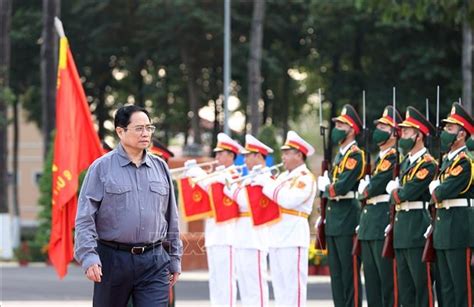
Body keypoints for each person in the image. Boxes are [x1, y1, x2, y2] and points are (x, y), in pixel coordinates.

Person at [74, 105, 182, 307]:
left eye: (149, 128)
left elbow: (171, 218)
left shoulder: (161, 168)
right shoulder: (101, 168)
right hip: (113, 261)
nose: (146, 134)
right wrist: (89, 256)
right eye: (139, 128)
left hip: (154, 261)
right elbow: (84, 218)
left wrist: (175, 257)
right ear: (120, 131)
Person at [253, 130, 317, 306]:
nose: (284, 157)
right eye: (284, 153)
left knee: (293, 289)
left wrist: (266, 182)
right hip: (276, 237)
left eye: (288, 153)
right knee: (280, 290)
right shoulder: (282, 177)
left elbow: (288, 200)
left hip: (293, 237)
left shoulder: (305, 178)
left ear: (299, 155)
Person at [386, 106, 436, 307]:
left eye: (407, 131)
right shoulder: (405, 162)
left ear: (419, 136)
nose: (402, 135)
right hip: (401, 231)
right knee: (404, 289)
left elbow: (406, 193)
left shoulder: (428, 163)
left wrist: (393, 192)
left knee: (421, 287)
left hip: (417, 229)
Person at [318, 105, 364, 307]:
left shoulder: (355, 155)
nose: (336, 127)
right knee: (336, 276)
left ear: (352, 129)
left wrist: (326, 187)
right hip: (334, 220)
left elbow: (342, 186)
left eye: (341, 124)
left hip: (347, 218)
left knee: (349, 274)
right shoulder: (339, 156)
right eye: (336, 123)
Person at [429, 103, 474, 307]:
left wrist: (436, 188)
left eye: (450, 129)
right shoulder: (448, 161)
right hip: (443, 229)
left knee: (461, 288)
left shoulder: (465, 161)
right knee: (445, 288)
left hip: (458, 229)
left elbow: (441, 193)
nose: (445, 133)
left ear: (462, 134)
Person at [357, 106, 401, 307]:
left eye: (384, 126)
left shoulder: (393, 157)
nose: (379, 130)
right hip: (369, 224)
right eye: (379, 126)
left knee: (387, 284)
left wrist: (366, 188)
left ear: (394, 132)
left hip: (381, 221)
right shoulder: (380, 157)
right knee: (372, 285)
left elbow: (373, 189)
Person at [223, 134, 271, 306]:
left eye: (247, 156)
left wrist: (230, 188)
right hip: (243, 237)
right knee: (245, 287)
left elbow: (245, 202)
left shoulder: (263, 177)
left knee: (255, 286)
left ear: (258, 156)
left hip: (255, 238)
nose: (243, 159)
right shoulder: (250, 178)